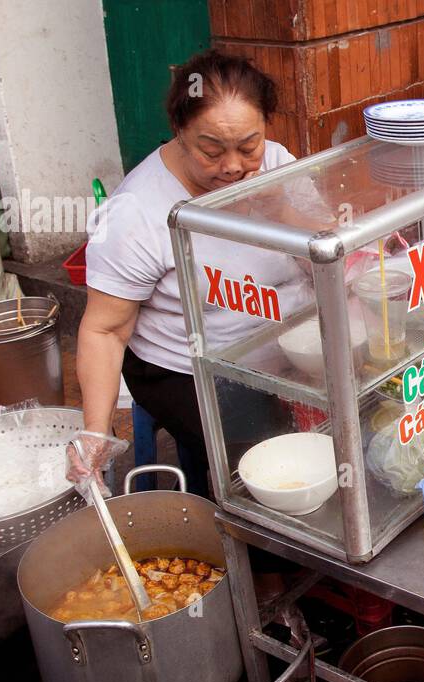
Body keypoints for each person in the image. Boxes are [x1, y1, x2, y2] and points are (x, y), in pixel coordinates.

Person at [71, 50, 316, 494]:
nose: (233, 166)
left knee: (364, 411)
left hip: (291, 340)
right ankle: (269, 559)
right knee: (266, 467)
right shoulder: (137, 213)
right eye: (211, 149)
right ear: (179, 131)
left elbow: (328, 250)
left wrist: (283, 209)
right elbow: (105, 331)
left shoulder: (277, 165)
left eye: (248, 146)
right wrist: (94, 430)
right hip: (194, 367)